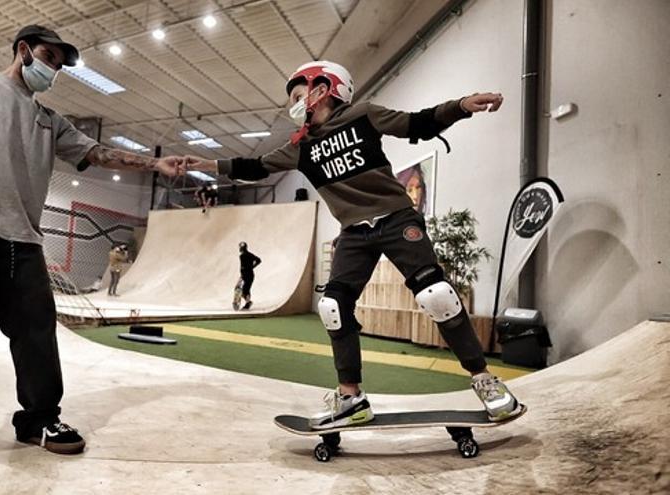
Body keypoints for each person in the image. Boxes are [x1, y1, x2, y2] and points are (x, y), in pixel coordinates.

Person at [0, 25, 183, 455]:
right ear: (23, 50)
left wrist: (157, 165)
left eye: (59, 65)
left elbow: (97, 153)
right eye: (48, 57)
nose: (53, 69)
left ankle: (39, 419)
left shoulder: (49, 121)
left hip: (21, 237)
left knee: (36, 325)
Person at [184, 61, 520, 429]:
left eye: (298, 96)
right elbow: (255, 166)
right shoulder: (302, 147)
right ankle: (351, 398)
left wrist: (460, 105)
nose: (292, 106)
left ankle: (484, 379)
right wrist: (202, 163)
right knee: (333, 306)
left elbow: (416, 124)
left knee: (436, 295)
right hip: (353, 233)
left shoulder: (363, 114)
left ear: (324, 89)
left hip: (395, 218)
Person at [237, 242, 261, 310]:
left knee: (244, 290)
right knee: (246, 290)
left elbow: (242, 267)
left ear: (242, 248)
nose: (240, 249)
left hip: (247, 275)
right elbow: (258, 260)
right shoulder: (249, 255)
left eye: (240, 248)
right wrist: (252, 267)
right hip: (248, 274)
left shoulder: (242, 256)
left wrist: (251, 267)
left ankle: (248, 302)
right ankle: (248, 303)